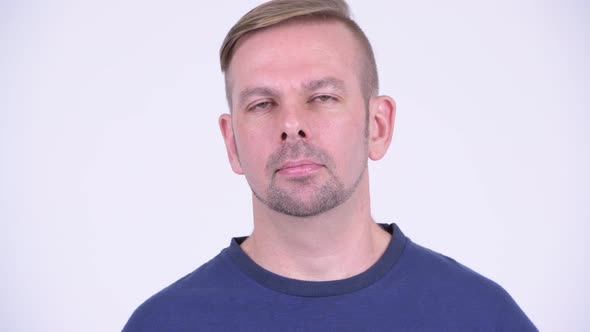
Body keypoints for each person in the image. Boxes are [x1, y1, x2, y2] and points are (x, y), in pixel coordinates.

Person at [123, 0, 537, 330]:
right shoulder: (164, 323)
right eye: (262, 104)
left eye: (322, 97)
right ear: (232, 142)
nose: (291, 125)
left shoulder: (481, 316)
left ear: (378, 126)